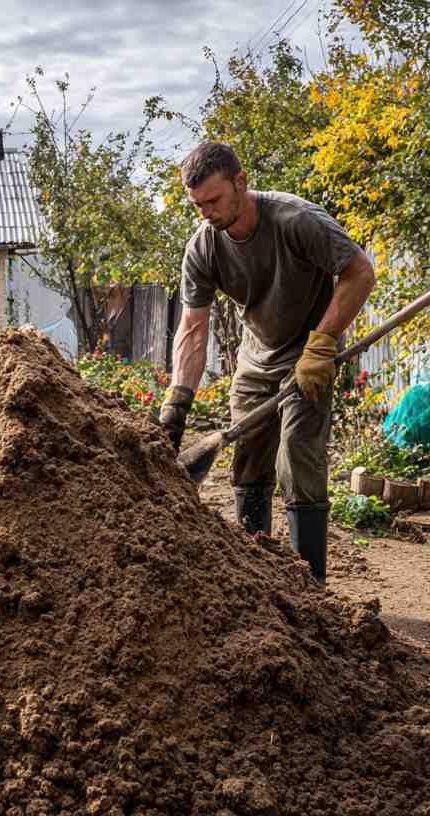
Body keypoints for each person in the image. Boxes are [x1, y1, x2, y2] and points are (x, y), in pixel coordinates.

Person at [160, 143, 375, 584]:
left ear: (241, 182)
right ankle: (254, 581)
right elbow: (194, 328)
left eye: (214, 201)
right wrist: (176, 406)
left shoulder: (296, 221)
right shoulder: (203, 247)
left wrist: (322, 345)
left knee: (297, 459)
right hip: (256, 359)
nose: (206, 213)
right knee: (249, 461)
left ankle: (309, 586)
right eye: (197, 205)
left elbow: (359, 273)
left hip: (308, 353)